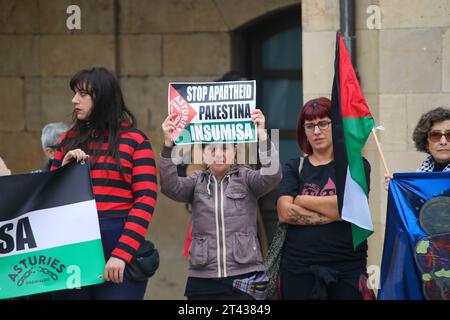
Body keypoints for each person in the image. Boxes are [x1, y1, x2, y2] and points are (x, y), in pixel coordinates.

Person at [50, 67, 158, 300]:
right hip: (72, 243)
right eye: (74, 93)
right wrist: (63, 170)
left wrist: (122, 253)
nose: (74, 100)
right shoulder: (66, 139)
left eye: (82, 94)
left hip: (118, 242)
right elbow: (47, 198)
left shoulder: (135, 141)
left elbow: (145, 199)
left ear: (102, 97)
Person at [160, 109, 282, 300]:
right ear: (204, 154)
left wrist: (262, 136)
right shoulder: (196, 181)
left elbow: (273, 175)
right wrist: (168, 145)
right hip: (203, 277)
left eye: (224, 148)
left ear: (235, 151)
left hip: (245, 274)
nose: (218, 154)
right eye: (211, 148)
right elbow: (169, 186)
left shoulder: (246, 178)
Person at [276, 97, 371, 300]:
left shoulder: (356, 166)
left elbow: (349, 208)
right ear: (304, 132)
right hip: (298, 271)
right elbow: (285, 212)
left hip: (347, 270)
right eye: (310, 126)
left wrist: (301, 200)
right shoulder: (294, 166)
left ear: (335, 125)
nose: (316, 131)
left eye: (323, 123)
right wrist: (333, 211)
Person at [384, 107, 450, 190]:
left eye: (449, 135)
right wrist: (397, 191)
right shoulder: (419, 177)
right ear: (426, 143)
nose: (443, 141)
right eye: (435, 135)